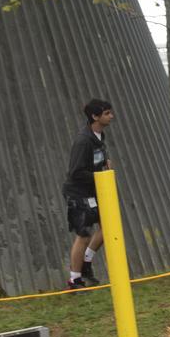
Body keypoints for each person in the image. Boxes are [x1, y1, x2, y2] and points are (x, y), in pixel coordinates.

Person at [63, 98, 114, 289]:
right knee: (83, 234)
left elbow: (97, 159)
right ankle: (74, 280)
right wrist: (99, 175)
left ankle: (86, 262)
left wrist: (105, 165)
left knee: (108, 226)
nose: (111, 116)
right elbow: (75, 171)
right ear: (95, 116)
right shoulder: (83, 141)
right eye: (107, 113)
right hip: (78, 192)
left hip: (94, 190)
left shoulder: (100, 137)